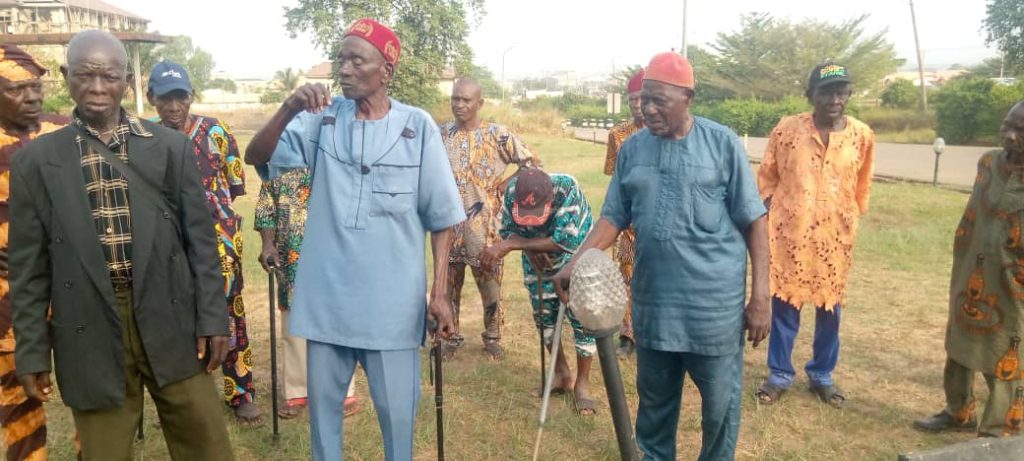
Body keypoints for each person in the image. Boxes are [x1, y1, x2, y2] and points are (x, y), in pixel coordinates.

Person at [244, 18, 464, 460]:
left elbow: (443, 219)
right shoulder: (320, 122)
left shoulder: (417, 127)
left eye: (355, 60)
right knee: (324, 426)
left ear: (386, 70)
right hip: (327, 303)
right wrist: (288, 108)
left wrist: (439, 293)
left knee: (397, 420)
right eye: (340, 59)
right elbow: (257, 157)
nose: (343, 69)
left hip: (392, 310)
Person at [8, 30, 233, 460]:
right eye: (84, 75)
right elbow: (29, 269)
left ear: (127, 80)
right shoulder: (36, 162)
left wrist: (213, 318)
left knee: (207, 446)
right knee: (104, 453)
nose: (96, 88)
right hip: (88, 326)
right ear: (64, 76)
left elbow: (201, 243)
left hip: (171, 318)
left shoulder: (171, 148)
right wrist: (33, 350)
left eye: (109, 77)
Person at [553, 52, 771, 461]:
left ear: (688, 97)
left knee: (719, 411)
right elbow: (613, 216)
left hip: (713, 312)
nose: (648, 109)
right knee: (653, 412)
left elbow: (755, 222)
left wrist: (761, 297)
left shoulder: (722, 144)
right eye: (644, 99)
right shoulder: (633, 150)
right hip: (655, 309)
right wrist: (575, 262)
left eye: (659, 100)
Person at [147, 60, 261, 425]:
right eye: (165, 99)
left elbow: (235, 187)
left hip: (219, 243)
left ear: (192, 96)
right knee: (177, 314)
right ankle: (190, 396)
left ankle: (240, 391)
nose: (174, 107)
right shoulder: (144, 138)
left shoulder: (217, 131)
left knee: (229, 314)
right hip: (169, 241)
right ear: (152, 99)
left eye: (180, 97)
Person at [755, 63, 875, 408]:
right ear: (811, 95)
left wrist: (851, 218)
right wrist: (768, 213)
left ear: (848, 95)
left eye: (841, 91)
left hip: (834, 241)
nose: (834, 99)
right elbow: (768, 175)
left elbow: (862, 183)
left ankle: (821, 374)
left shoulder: (862, 135)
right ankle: (779, 374)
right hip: (789, 235)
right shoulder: (787, 130)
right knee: (784, 308)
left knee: (830, 310)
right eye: (826, 92)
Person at [913, 101, 1024, 437]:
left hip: (1014, 279)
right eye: (1007, 126)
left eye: (1020, 131)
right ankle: (958, 410)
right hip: (975, 265)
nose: (1010, 135)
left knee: (1007, 348)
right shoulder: (989, 162)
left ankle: (998, 430)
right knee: (960, 338)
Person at [480, 168, 598, 415]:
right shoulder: (512, 192)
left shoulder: (567, 189)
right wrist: (531, 250)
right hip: (537, 260)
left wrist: (515, 244)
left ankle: (583, 384)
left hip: (576, 256)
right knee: (544, 316)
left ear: (549, 200)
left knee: (582, 317)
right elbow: (508, 230)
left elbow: (563, 242)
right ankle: (562, 375)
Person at [0, 44, 69, 461]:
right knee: (20, 400)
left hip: (71, 287)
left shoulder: (64, 133)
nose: (32, 97)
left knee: (92, 389)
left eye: (36, 87)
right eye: (16, 89)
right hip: (9, 297)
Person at [440, 77, 539, 359]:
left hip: (484, 226)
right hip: (447, 225)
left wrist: (505, 185)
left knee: (489, 281)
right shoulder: (442, 133)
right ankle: (450, 336)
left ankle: (492, 336)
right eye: (455, 98)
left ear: (479, 103)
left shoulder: (498, 134)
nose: (459, 104)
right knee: (448, 282)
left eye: (466, 100)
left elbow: (531, 163)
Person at [254, 166, 361, 418]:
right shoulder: (277, 160)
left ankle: (342, 390)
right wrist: (268, 244)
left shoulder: (333, 148)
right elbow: (265, 210)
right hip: (291, 257)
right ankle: (298, 390)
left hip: (333, 253)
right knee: (294, 325)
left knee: (336, 320)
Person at [604, 69, 645, 358]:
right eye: (632, 99)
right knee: (627, 276)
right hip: (629, 223)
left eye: (642, 98)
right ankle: (628, 336)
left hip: (658, 221)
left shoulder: (663, 131)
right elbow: (613, 176)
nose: (637, 104)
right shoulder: (617, 134)